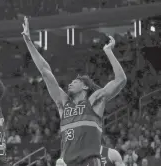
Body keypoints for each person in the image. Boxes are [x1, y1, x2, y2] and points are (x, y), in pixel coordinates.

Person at [21, 16, 127, 166]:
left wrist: (108, 51)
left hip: (89, 162)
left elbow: (121, 80)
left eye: (75, 82)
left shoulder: (94, 101)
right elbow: (45, 71)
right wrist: (28, 42)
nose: (70, 83)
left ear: (85, 87)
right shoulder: (64, 104)